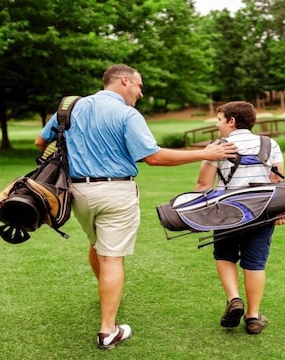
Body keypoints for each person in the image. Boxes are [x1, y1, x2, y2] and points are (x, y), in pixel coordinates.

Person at [35, 64, 237, 350]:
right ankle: (108, 331)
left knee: (97, 245)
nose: (141, 93)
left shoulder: (70, 108)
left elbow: (40, 141)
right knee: (112, 258)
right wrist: (206, 153)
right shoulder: (128, 114)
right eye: (140, 86)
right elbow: (153, 157)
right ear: (125, 81)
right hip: (116, 191)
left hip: (75, 192)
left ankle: (108, 292)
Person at [194, 101, 285, 335]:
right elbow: (277, 182)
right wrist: (279, 212)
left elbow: (203, 185)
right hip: (262, 211)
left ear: (231, 121)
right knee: (255, 262)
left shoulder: (217, 146)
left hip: (226, 212)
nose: (217, 125)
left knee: (224, 255)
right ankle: (253, 316)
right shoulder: (269, 143)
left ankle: (234, 298)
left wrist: (195, 215)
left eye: (219, 119)